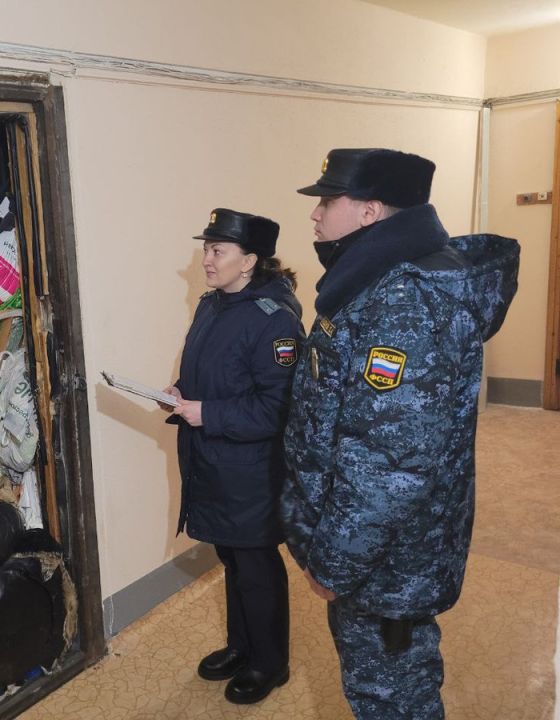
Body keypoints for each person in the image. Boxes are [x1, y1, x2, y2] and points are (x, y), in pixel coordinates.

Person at [282, 148, 520, 719]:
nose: (315, 214)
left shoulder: (403, 300)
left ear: (370, 211)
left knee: (392, 698)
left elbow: (390, 465)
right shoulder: (376, 280)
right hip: (379, 554)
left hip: (388, 564)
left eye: (327, 201)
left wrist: (333, 563)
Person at [163, 208, 303, 705]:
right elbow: (214, 372)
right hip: (213, 460)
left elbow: (278, 408)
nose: (206, 259)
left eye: (217, 250)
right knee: (233, 559)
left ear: (249, 261)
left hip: (251, 470)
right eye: (206, 248)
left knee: (256, 565)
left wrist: (208, 413)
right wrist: (179, 391)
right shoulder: (213, 305)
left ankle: (270, 663)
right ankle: (242, 648)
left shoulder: (275, 320)